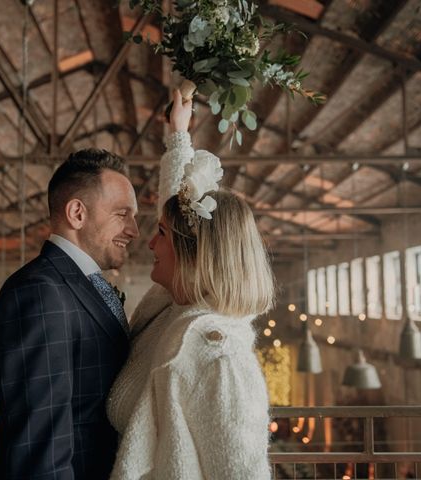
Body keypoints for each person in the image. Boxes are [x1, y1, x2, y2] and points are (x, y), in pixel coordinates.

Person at [107, 90, 275, 479]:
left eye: (160, 234)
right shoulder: (176, 307)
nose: (148, 242)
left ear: (192, 256)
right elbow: (176, 203)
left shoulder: (220, 357)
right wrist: (178, 134)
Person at [0, 149, 139, 479]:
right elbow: (39, 450)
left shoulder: (76, 284)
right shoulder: (40, 293)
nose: (134, 230)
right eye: (122, 214)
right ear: (77, 213)